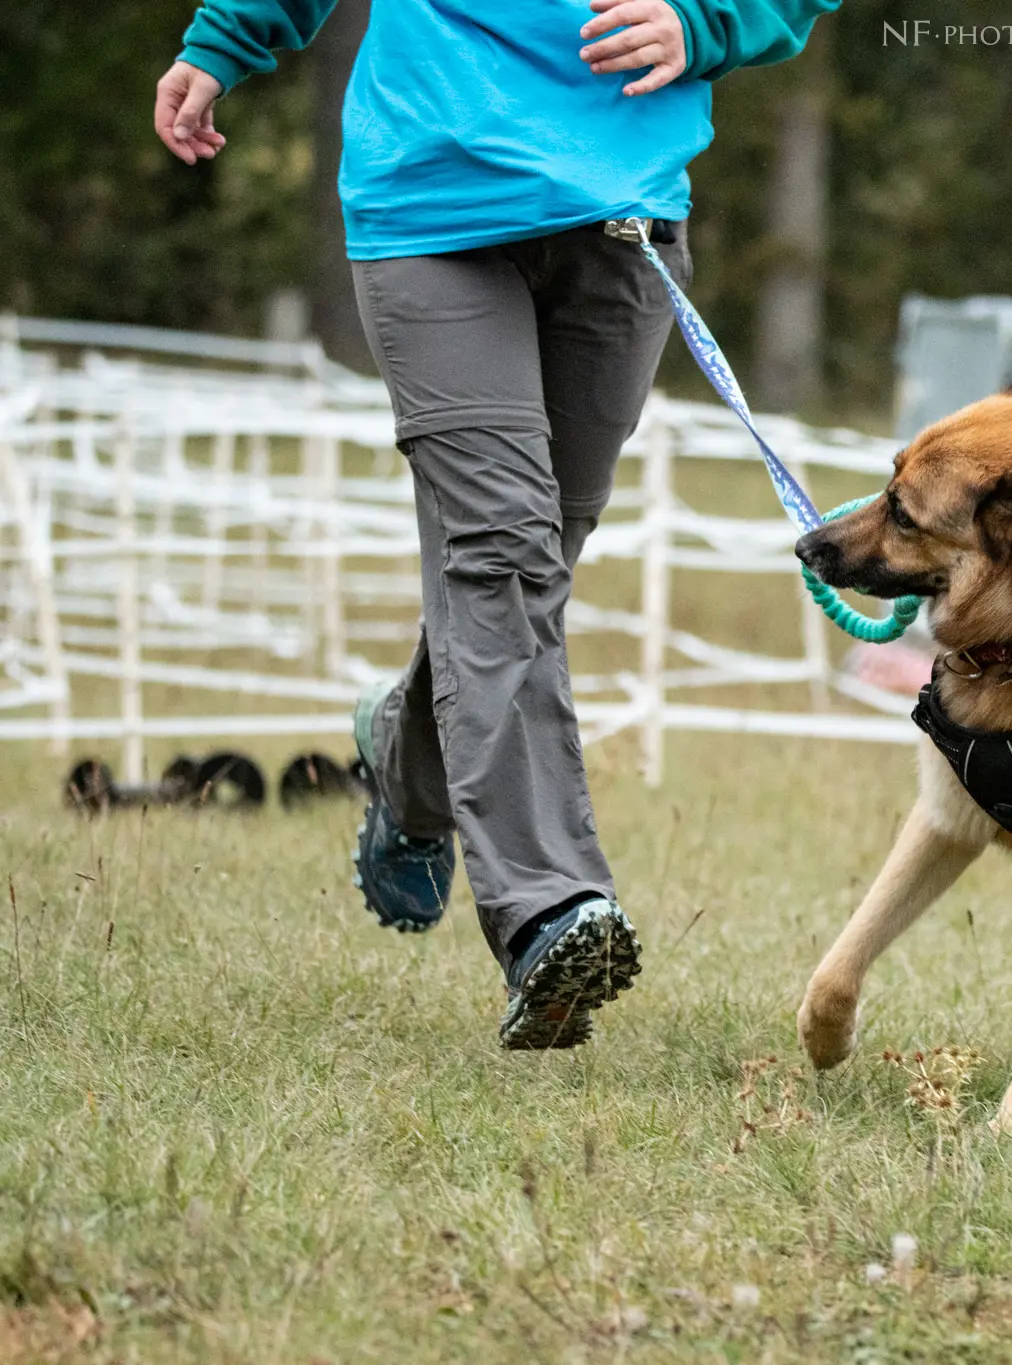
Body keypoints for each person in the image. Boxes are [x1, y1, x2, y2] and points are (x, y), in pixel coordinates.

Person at [155, 0, 839, 1050]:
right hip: (431, 206)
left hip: (621, 216)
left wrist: (709, 21)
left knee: (535, 559)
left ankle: (404, 753)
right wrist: (223, 42)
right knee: (503, 551)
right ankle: (549, 911)